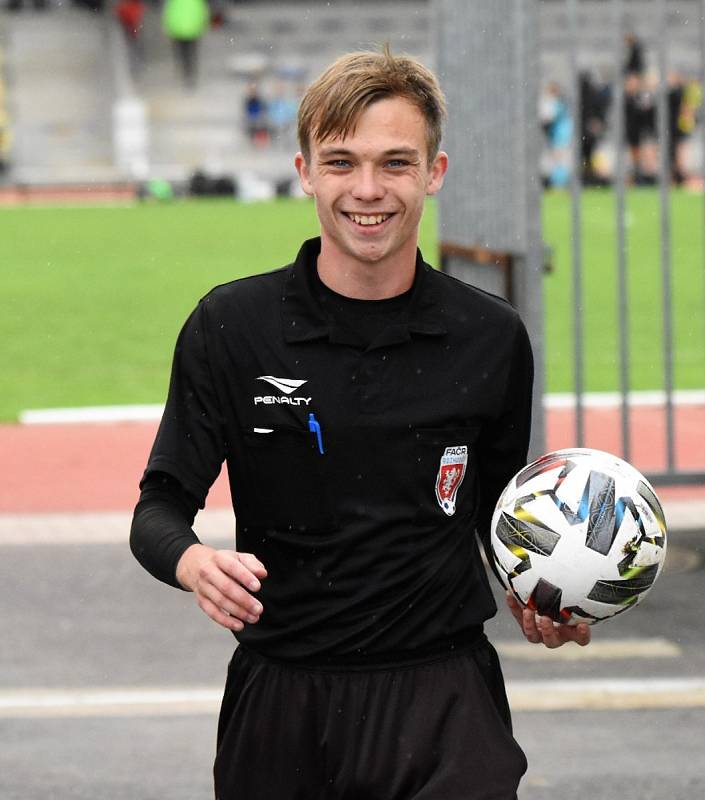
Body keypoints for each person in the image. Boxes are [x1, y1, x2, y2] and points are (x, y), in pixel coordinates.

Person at [130, 46, 591, 800]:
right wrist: (192, 562)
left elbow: (498, 514)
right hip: (282, 697)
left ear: (433, 173)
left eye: (395, 163)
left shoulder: (489, 336)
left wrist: (545, 590)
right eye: (341, 162)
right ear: (305, 170)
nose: (367, 190)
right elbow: (158, 507)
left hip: (445, 698)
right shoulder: (232, 326)